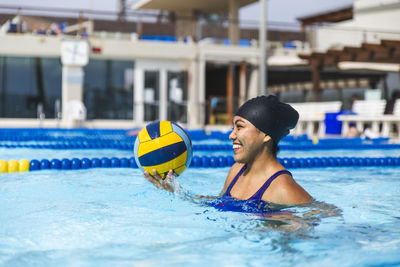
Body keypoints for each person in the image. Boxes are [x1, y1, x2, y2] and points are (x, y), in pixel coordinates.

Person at [144, 95, 311, 207]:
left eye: (240, 127)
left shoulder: (283, 188)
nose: (231, 135)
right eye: (233, 127)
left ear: (266, 135)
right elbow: (218, 204)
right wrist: (176, 192)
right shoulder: (236, 171)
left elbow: (314, 220)